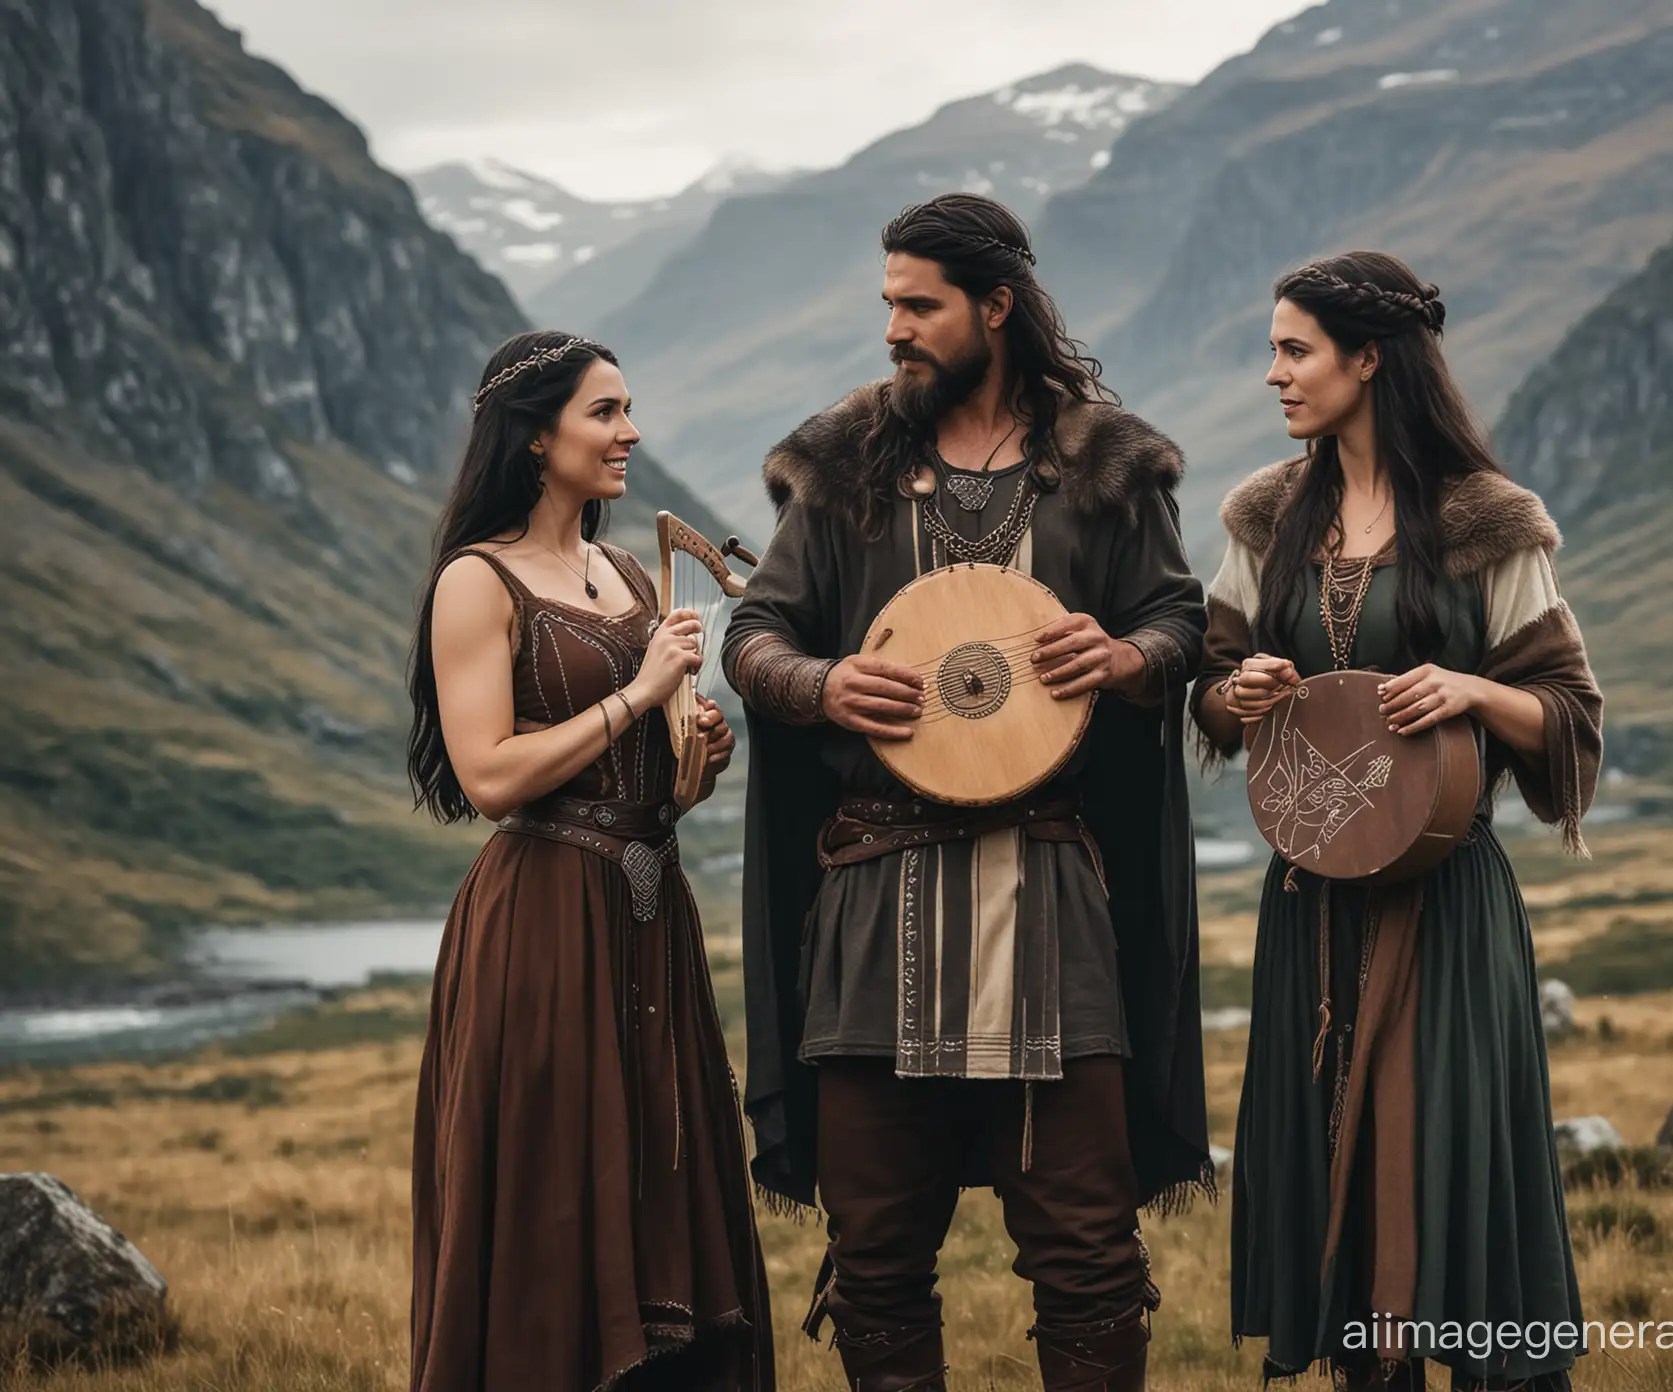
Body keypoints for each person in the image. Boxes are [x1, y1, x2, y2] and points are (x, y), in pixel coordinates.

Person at [721, 193, 1211, 1392]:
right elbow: (753, 635)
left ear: (996, 308)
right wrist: (823, 684)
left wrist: (1128, 658)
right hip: (874, 912)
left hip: (1051, 915)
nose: (894, 328)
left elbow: (1180, 617)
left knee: (1089, 1257)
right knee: (877, 1259)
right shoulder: (843, 467)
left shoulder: (1102, 465)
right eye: (887, 304)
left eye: (919, 306)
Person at [1192, 254, 1602, 1390]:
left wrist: (1473, 690)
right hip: (1308, 907)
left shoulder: (1486, 522)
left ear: (1367, 360)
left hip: (1445, 910)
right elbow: (1212, 693)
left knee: (1446, 1167)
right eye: (1274, 348)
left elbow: (1569, 713)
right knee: (1339, 1178)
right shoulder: (1265, 517)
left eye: (1295, 350)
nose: (1272, 374)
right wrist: (1246, 691)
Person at [405, 331, 773, 1391]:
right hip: (544, 919)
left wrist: (695, 759)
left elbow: (660, 786)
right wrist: (635, 692)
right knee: (553, 1183)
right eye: (605, 413)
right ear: (534, 438)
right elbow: (489, 777)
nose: (631, 432)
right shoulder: (476, 583)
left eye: (628, 409)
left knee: (666, 1162)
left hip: (649, 910)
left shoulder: (621, 569)